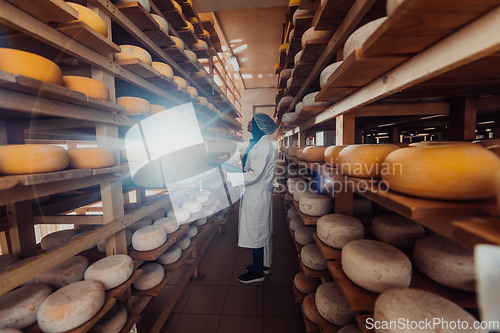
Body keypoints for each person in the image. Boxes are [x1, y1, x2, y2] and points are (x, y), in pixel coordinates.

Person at [224, 113, 277, 283]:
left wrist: (232, 174)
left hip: (257, 194)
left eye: (251, 121)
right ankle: (263, 265)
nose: (248, 123)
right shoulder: (256, 142)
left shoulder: (264, 146)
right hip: (254, 193)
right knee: (260, 231)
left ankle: (257, 272)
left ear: (258, 126)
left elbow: (254, 175)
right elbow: (250, 166)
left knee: (257, 233)